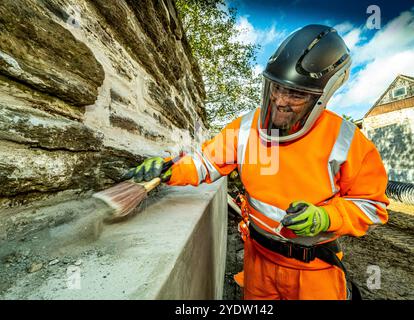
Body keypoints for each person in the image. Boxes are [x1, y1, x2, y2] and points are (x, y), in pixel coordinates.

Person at [125, 24, 389, 300]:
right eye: (276, 88)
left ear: (321, 98)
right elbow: (205, 163)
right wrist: (168, 170)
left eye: (296, 94)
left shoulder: (346, 140)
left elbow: (372, 206)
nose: (280, 100)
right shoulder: (246, 128)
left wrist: (327, 217)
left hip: (313, 271)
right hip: (258, 262)